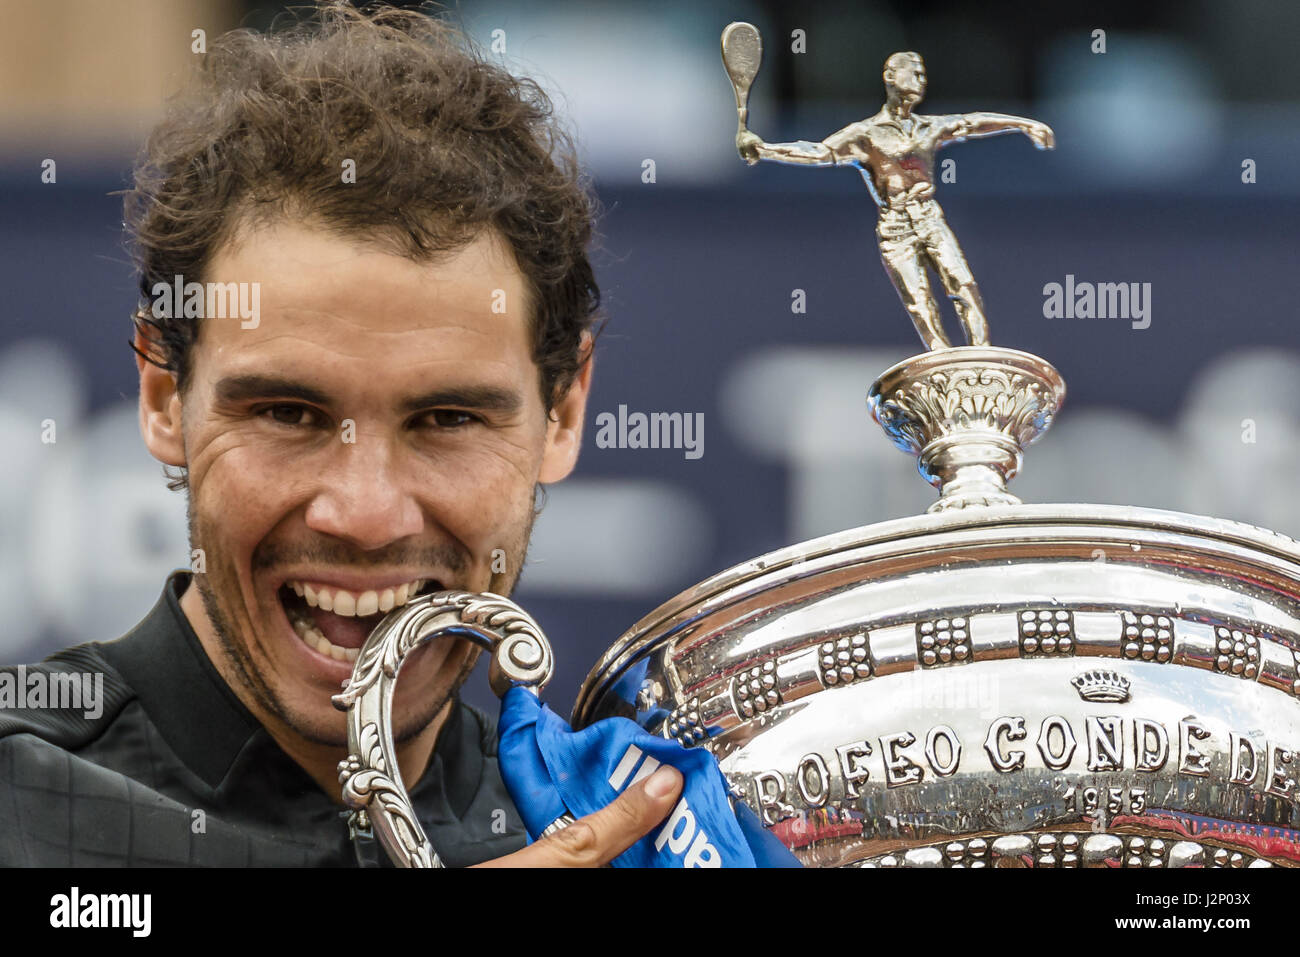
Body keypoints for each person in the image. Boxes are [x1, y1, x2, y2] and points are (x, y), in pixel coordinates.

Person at [0, 2, 682, 867]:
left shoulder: (637, 825)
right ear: (166, 396)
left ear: (565, 413)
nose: (365, 515)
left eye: (447, 419)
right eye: (288, 413)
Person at [737, 51, 1054, 351]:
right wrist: (766, 149)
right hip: (896, 225)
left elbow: (973, 122)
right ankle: (940, 357)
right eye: (913, 73)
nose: (921, 80)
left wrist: (1025, 124)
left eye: (923, 74)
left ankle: (979, 353)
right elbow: (820, 152)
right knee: (918, 298)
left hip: (929, 216)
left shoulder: (929, 127)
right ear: (890, 76)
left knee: (963, 283)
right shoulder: (865, 134)